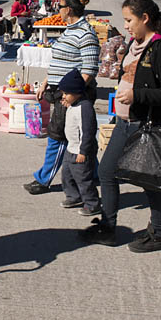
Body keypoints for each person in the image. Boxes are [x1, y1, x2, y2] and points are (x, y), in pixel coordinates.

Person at [79, 0, 161, 252]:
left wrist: (138, 95)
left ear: (145, 18)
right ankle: (108, 228)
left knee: (150, 180)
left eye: (129, 20)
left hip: (145, 124)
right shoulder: (136, 42)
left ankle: (158, 233)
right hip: (125, 121)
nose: (125, 25)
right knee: (106, 172)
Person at [24, 0, 99, 195]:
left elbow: (89, 70)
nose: (58, 10)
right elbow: (60, 63)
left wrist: (72, 96)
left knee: (58, 138)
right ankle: (95, 174)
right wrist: (46, 84)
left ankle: (44, 179)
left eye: (60, 6)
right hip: (60, 92)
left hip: (72, 96)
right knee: (81, 137)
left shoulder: (86, 34)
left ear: (69, 10)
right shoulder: (69, 31)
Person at [57, 69, 101, 217]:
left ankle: (92, 203)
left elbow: (88, 131)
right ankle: (74, 196)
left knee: (83, 178)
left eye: (66, 94)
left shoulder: (85, 107)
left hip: (81, 151)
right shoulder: (72, 104)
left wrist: (83, 151)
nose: (63, 97)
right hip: (71, 148)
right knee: (67, 175)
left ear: (76, 92)